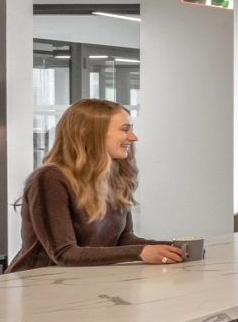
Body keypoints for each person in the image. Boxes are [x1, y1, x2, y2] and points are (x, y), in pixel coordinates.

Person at [9, 98, 185, 271]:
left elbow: (122, 241)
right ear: (87, 133)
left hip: (85, 285)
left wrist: (177, 247)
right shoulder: (49, 179)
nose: (133, 137)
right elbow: (63, 253)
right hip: (39, 287)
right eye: (124, 129)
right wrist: (140, 252)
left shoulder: (114, 178)